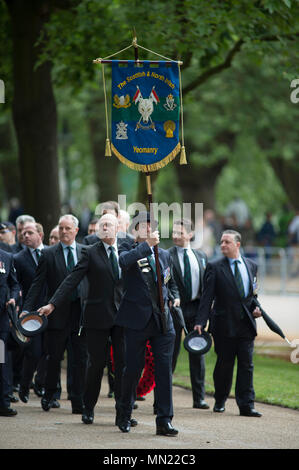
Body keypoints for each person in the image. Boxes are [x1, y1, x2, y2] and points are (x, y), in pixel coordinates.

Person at [38, 213, 127, 427]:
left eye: (110, 225)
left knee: (123, 366)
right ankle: (88, 408)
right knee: (96, 365)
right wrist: (53, 303)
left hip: (123, 317)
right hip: (97, 317)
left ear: (117, 229)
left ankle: (123, 413)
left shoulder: (126, 251)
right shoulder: (90, 253)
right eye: (102, 225)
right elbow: (71, 280)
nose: (105, 228)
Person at [116, 211, 179, 436]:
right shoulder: (126, 248)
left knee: (164, 370)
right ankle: (124, 413)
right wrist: (145, 246)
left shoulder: (163, 254)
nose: (149, 229)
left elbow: (169, 282)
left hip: (162, 321)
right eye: (144, 226)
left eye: (152, 226)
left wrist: (172, 297)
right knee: (132, 369)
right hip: (136, 320)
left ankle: (164, 419)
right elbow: (123, 263)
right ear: (135, 230)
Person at [21, 214, 88, 414]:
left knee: (80, 358)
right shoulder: (49, 254)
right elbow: (37, 284)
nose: (64, 232)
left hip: (80, 313)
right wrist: (27, 308)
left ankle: (78, 400)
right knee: (54, 357)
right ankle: (50, 394)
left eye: (68, 228)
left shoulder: (86, 252)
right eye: (61, 228)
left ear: (76, 231)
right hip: (56, 313)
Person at [194, 229, 263, 417]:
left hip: (246, 325)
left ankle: (247, 405)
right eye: (221, 242)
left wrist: (257, 309)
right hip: (224, 325)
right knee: (224, 364)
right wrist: (201, 321)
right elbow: (206, 297)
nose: (223, 245)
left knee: (247, 365)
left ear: (237, 245)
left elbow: (252, 295)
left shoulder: (251, 265)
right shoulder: (214, 266)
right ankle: (220, 399)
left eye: (227, 242)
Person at [169, 218, 209, 410]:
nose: (176, 235)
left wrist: (205, 313)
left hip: (195, 310)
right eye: (174, 232)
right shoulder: (166, 255)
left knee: (197, 353)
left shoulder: (201, 256)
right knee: (170, 354)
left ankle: (199, 398)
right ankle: (163, 399)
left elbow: (206, 287)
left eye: (180, 232)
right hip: (173, 309)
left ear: (190, 235)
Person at [14, 222, 47, 403]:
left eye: (30, 232)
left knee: (49, 352)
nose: (25, 236)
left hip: (50, 309)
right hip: (30, 312)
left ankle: (45, 388)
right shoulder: (18, 258)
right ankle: (25, 384)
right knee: (33, 352)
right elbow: (17, 284)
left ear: (40, 235)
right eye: (23, 233)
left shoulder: (50, 253)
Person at [0, 248, 20, 416]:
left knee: (1, 360)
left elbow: (14, 284)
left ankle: (3, 402)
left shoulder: (6, 257)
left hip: (1, 322)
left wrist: (13, 297)